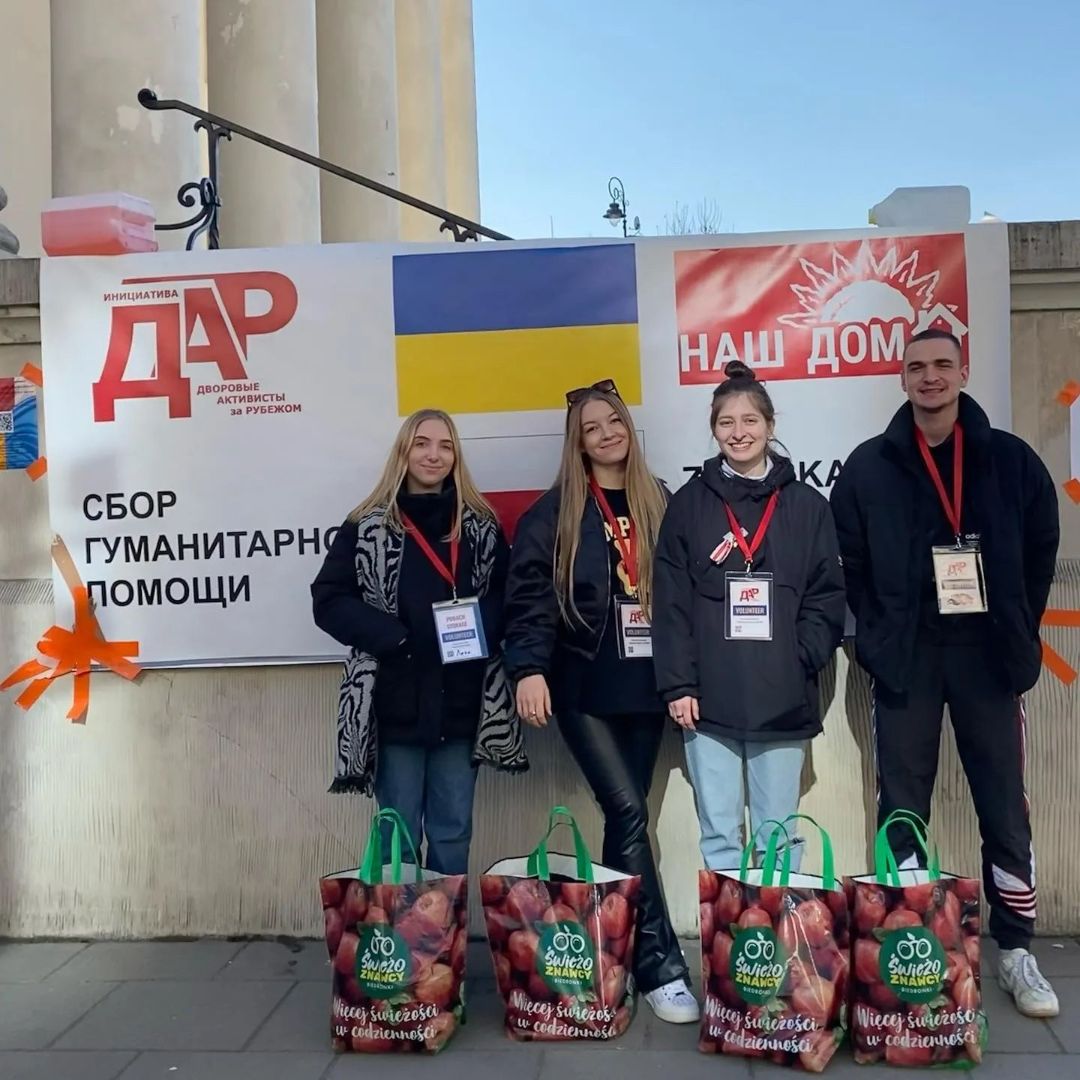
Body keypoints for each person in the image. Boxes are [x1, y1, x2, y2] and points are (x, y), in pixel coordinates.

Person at [830, 328, 1061, 1018]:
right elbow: (849, 563)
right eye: (916, 367)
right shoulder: (869, 466)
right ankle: (908, 942)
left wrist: (1017, 625)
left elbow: (1042, 547)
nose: (929, 377)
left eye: (941, 365)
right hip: (908, 659)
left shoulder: (1010, 460)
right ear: (901, 378)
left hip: (988, 658)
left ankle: (1015, 949)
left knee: (1004, 805)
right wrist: (878, 635)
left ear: (962, 371)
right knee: (903, 805)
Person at [503, 378, 698, 1024]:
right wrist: (529, 669)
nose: (607, 434)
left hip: (646, 685)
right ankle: (661, 965)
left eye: (614, 422)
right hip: (583, 685)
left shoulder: (658, 499)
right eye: (593, 428)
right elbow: (528, 599)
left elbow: (684, 591)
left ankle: (616, 953)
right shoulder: (553, 514)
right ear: (578, 443)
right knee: (628, 810)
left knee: (627, 821)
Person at [311, 408, 526, 875]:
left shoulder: (480, 525)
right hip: (395, 703)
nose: (434, 455)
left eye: (446, 446)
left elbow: (507, 595)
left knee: (453, 831)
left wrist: (477, 631)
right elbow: (328, 599)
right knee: (398, 834)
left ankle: (446, 924)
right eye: (422, 443)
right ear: (403, 452)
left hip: (462, 702)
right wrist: (396, 639)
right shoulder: (367, 524)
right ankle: (402, 924)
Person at [652, 360, 846, 873]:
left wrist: (797, 658)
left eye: (750, 421)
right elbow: (670, 602)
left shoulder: (807, 506)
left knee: (777, 836)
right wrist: (678, 685)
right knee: (719, 835)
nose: (738, 433)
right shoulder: (688, 506)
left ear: (770, 425)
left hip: (781, 697)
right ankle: (727, 929)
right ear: (714, 430)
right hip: (707, 701)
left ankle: (776, 928)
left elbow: (827, 595)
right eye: (726, 423)